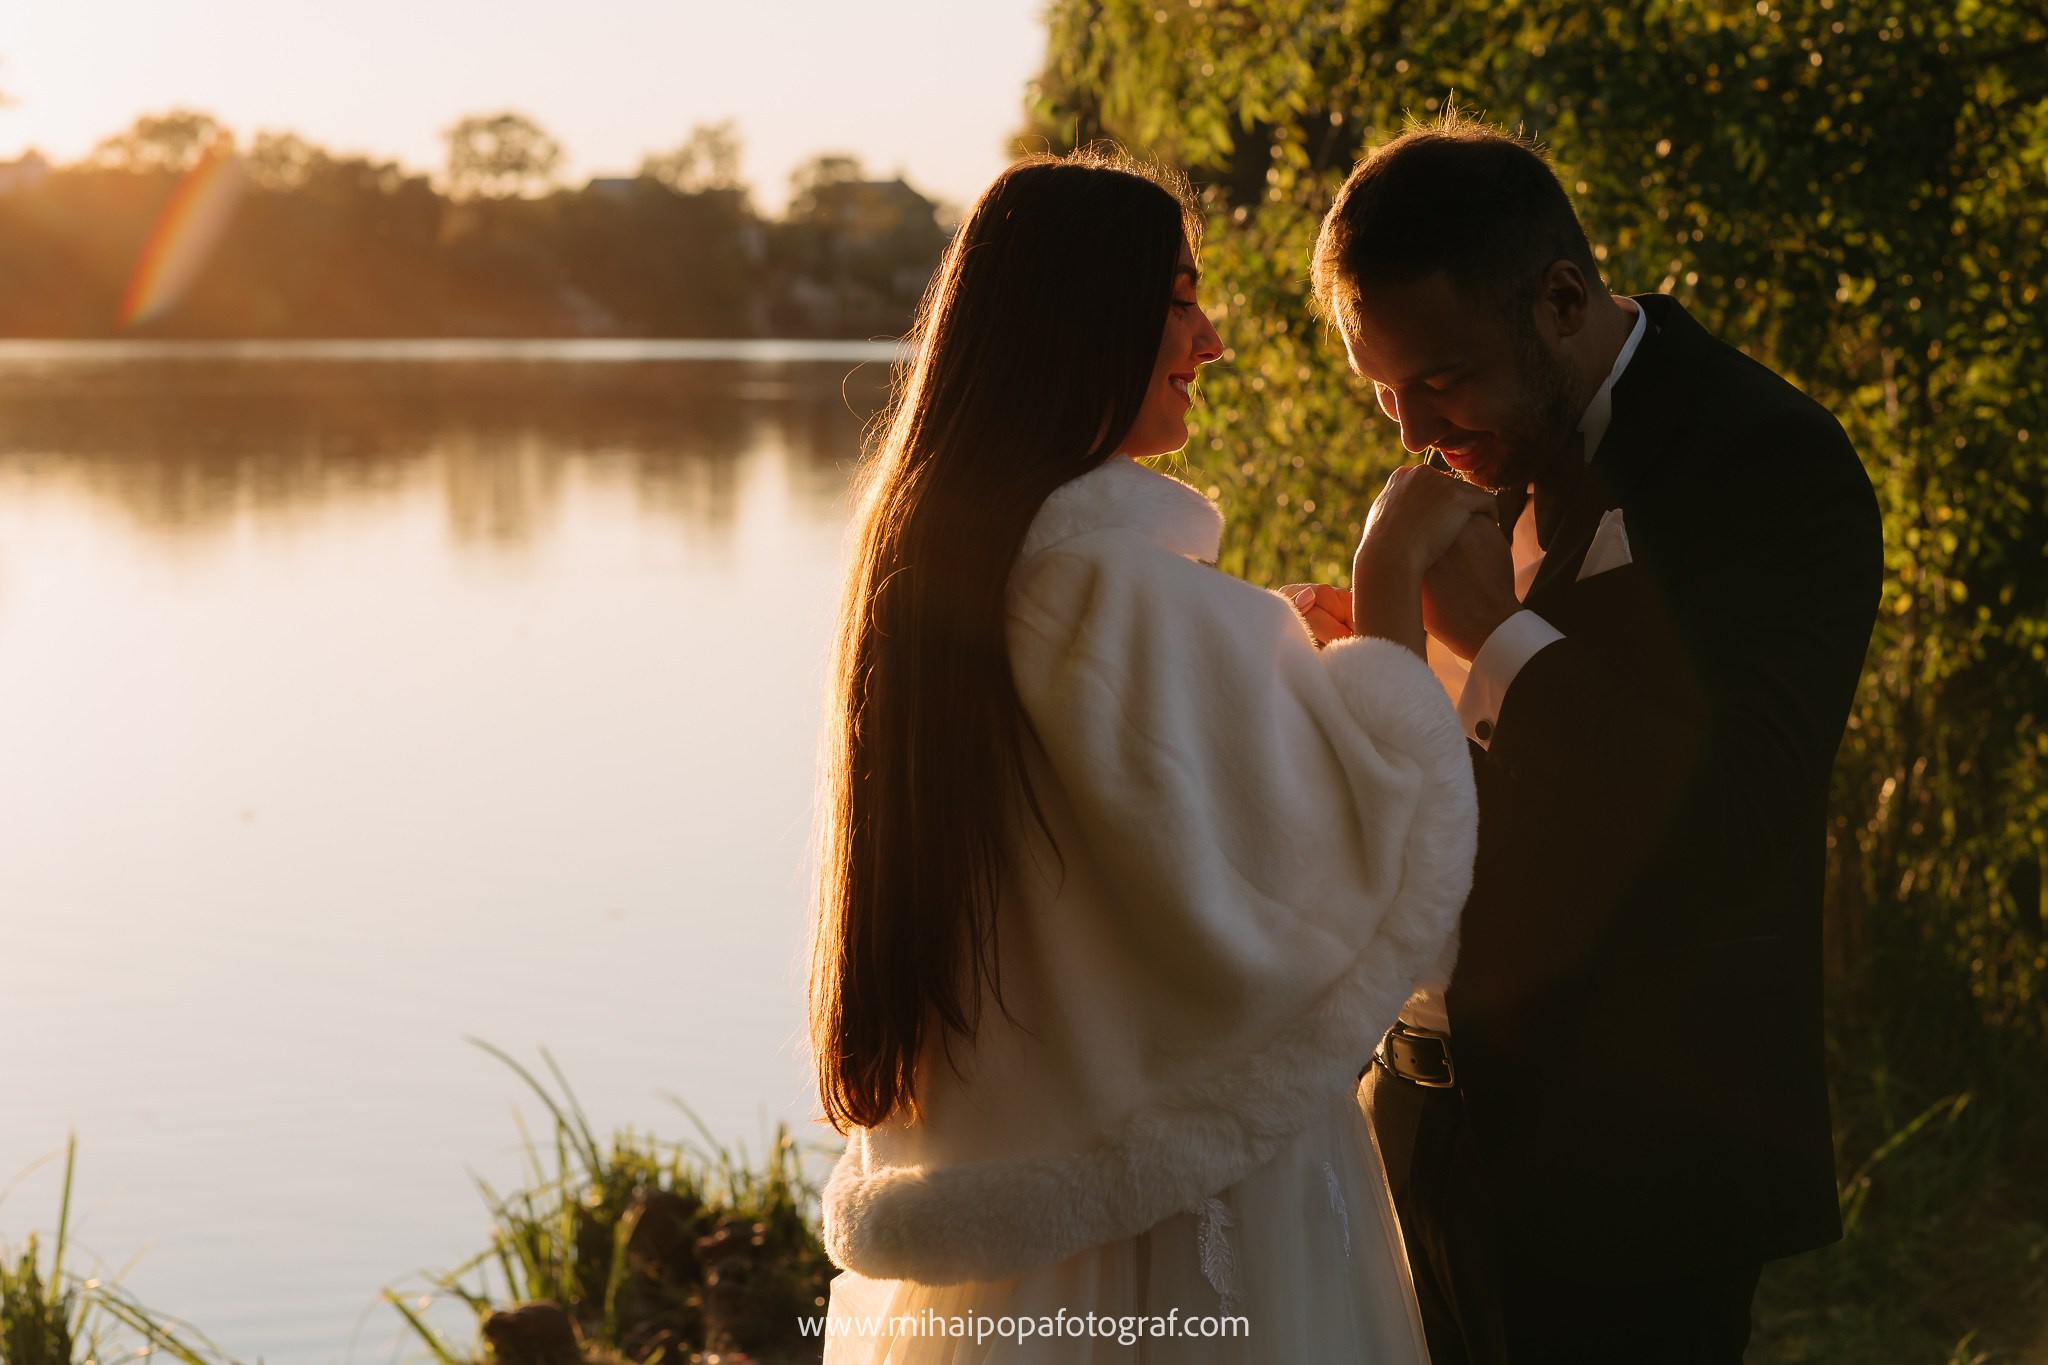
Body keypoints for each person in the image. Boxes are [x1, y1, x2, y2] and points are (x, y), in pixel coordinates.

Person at [808, 148, 1484, 1362]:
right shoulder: (1130, 606)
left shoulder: (950, 580)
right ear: (1080, 320)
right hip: (1186, 1229)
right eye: (1177, 298)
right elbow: (1388, 879)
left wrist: (1250, 651)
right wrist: (1388, 590)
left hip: (1019, 1248)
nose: (1210, 338)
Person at [1289, 114, 1885, 1362]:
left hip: (1633, 1174)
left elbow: (1737, 819)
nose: (1407, 430)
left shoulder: (1768, 461)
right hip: (1410, 1130)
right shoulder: (1476, 447)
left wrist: (1496, 642)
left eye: (1435, 381)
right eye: (1381, 391)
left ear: (1560, 297)